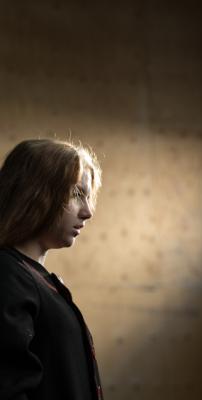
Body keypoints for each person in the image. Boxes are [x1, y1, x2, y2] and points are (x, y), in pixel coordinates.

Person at [0, 139, 103, 400]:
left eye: (88, 197)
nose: (88, 212)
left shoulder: (31, 277)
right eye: (76, 195)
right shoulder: (7, 274)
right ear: (35, 193)